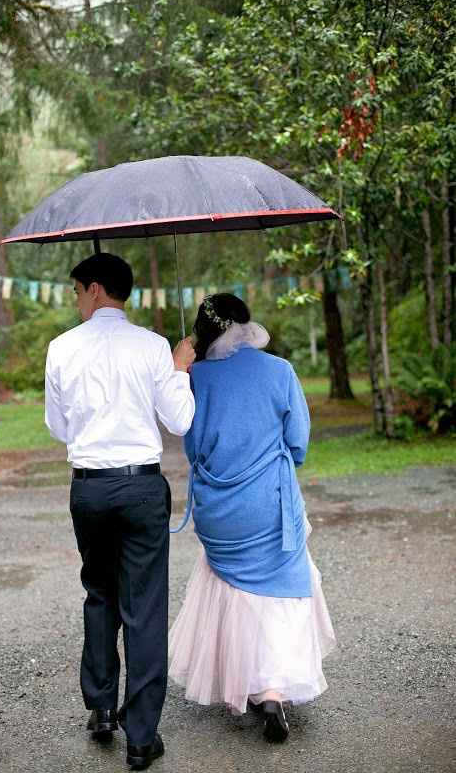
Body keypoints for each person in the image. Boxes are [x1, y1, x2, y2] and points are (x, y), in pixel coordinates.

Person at [44, 253, 195, 770]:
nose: (76, 300)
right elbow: (179, 419)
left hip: (88, 489)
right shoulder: (154, 347)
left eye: (77, 291)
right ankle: (140, 736)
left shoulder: (61, 348)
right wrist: (178, 369)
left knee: (100, 592)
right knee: (144, 607)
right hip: (140, 488)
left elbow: (59, 429)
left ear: (95, 289)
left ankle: (103, 707)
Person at [169, 293, 335, 742]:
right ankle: (274, 690)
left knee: (235, 592)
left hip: (221, 511)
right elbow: (298, 444)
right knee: (277, 593)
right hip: (270, 503)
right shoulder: (279, 371)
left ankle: (247, 681)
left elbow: (192, 446)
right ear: (246, 324)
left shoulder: (196, 378)